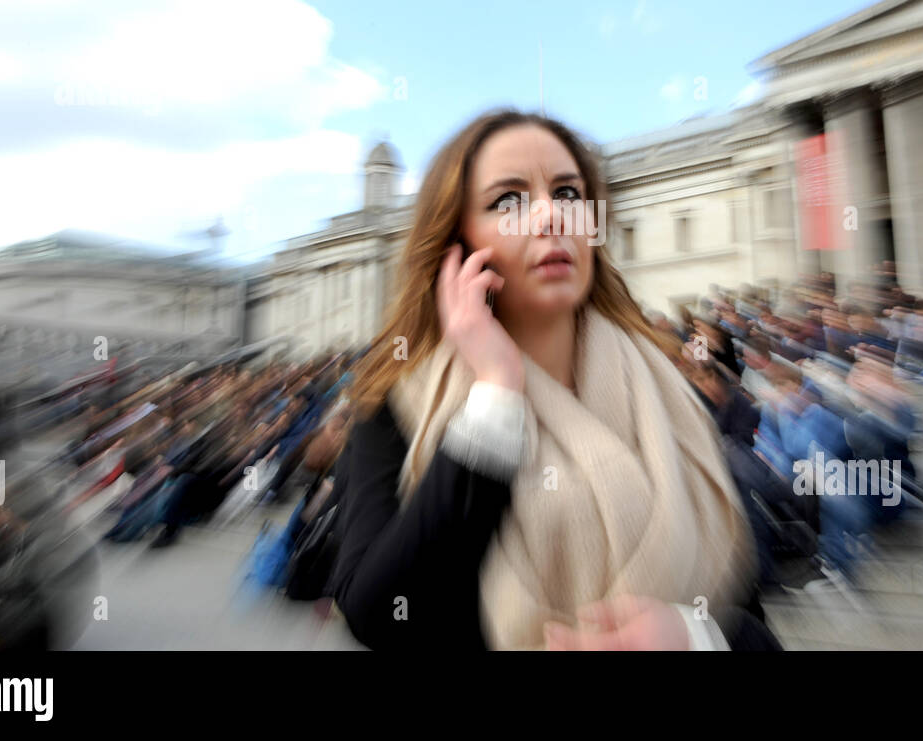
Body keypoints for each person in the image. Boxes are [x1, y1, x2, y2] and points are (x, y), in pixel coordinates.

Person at [331, 108, 779, 650]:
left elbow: (750, 613)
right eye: (508, 200)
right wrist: (496, 393)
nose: (550, 217)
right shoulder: (396, 406)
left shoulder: (670, 393)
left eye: (568, 194)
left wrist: (694, 636)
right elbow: (378, 615)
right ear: (458, 246)